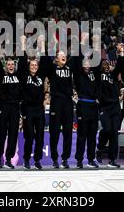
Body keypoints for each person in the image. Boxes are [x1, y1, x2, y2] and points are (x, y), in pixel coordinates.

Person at [38, 37, 75, 169]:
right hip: (56, 102)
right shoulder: (52, 68)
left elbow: (77, 57)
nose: (64, 56)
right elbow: (44, 61)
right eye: (61, 55)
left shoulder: (70, 68)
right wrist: (46, 46)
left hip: (68, 102)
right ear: (56, 59)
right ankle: (54, 158)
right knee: (54, 132)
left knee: (68, 132)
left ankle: (65, 158)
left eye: (65, 55)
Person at [0, 41, 26, 169]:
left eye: (12, 64)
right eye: (8, 64)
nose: (10, 66)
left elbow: (23, 64)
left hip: (15, 107)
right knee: (1, 132)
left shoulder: (19, 76)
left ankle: (9, 159)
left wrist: (22, 47)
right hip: (3, 107)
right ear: (6, 66)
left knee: (13, 134)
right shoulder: (2, 76)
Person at [72, 34, 100, 169]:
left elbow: (97, 60)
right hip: (82, 105)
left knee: (92, 135)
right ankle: (79, 160)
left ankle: (91, 159)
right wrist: (82, 43)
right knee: (82, 134)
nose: (87, 64)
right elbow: (77, 60)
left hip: (93, 106)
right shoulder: (78, 74)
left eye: (89, 62)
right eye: (85, 62)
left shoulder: (94, 74)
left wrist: (95, 45)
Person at [20, 35, 47, 169]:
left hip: (39, 110)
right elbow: (23, 60)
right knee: (29, 136)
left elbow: (45, 62)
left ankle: (37, 160)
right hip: (28, 110)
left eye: (36, 65)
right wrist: (23, 45)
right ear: (29, 66)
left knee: (40, 137)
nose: (34, 66)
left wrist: (42, 46)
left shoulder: (41, 76)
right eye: (32, 65)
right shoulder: (24, 76)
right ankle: (26, 159)